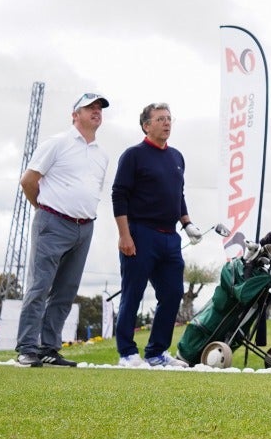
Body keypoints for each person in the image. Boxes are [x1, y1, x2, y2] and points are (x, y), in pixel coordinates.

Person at [14, 92, 111, 368]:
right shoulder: (57, 143)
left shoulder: (102, 155)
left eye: (99, 108)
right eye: (89, 107)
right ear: (74, 114)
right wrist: (43, 210)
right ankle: (27, 347)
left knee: (66, 291)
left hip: (84, 227)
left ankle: (49, 347)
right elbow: (28, 181)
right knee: (39, 286)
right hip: (53, 221)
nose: (96, 111)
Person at [111, 103, 206, 368]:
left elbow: (178, 195)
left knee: (173, 293)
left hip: (170, 237)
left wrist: (186, 223)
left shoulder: (177, 157)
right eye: (160, 119)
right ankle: (127, 353)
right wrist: (124, 235)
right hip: (140, 234)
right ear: (146, 125)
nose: (166, 123)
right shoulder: (134, 155)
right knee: (133, 293)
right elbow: (119, 195)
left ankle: (156, 352)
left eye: (169, 119)